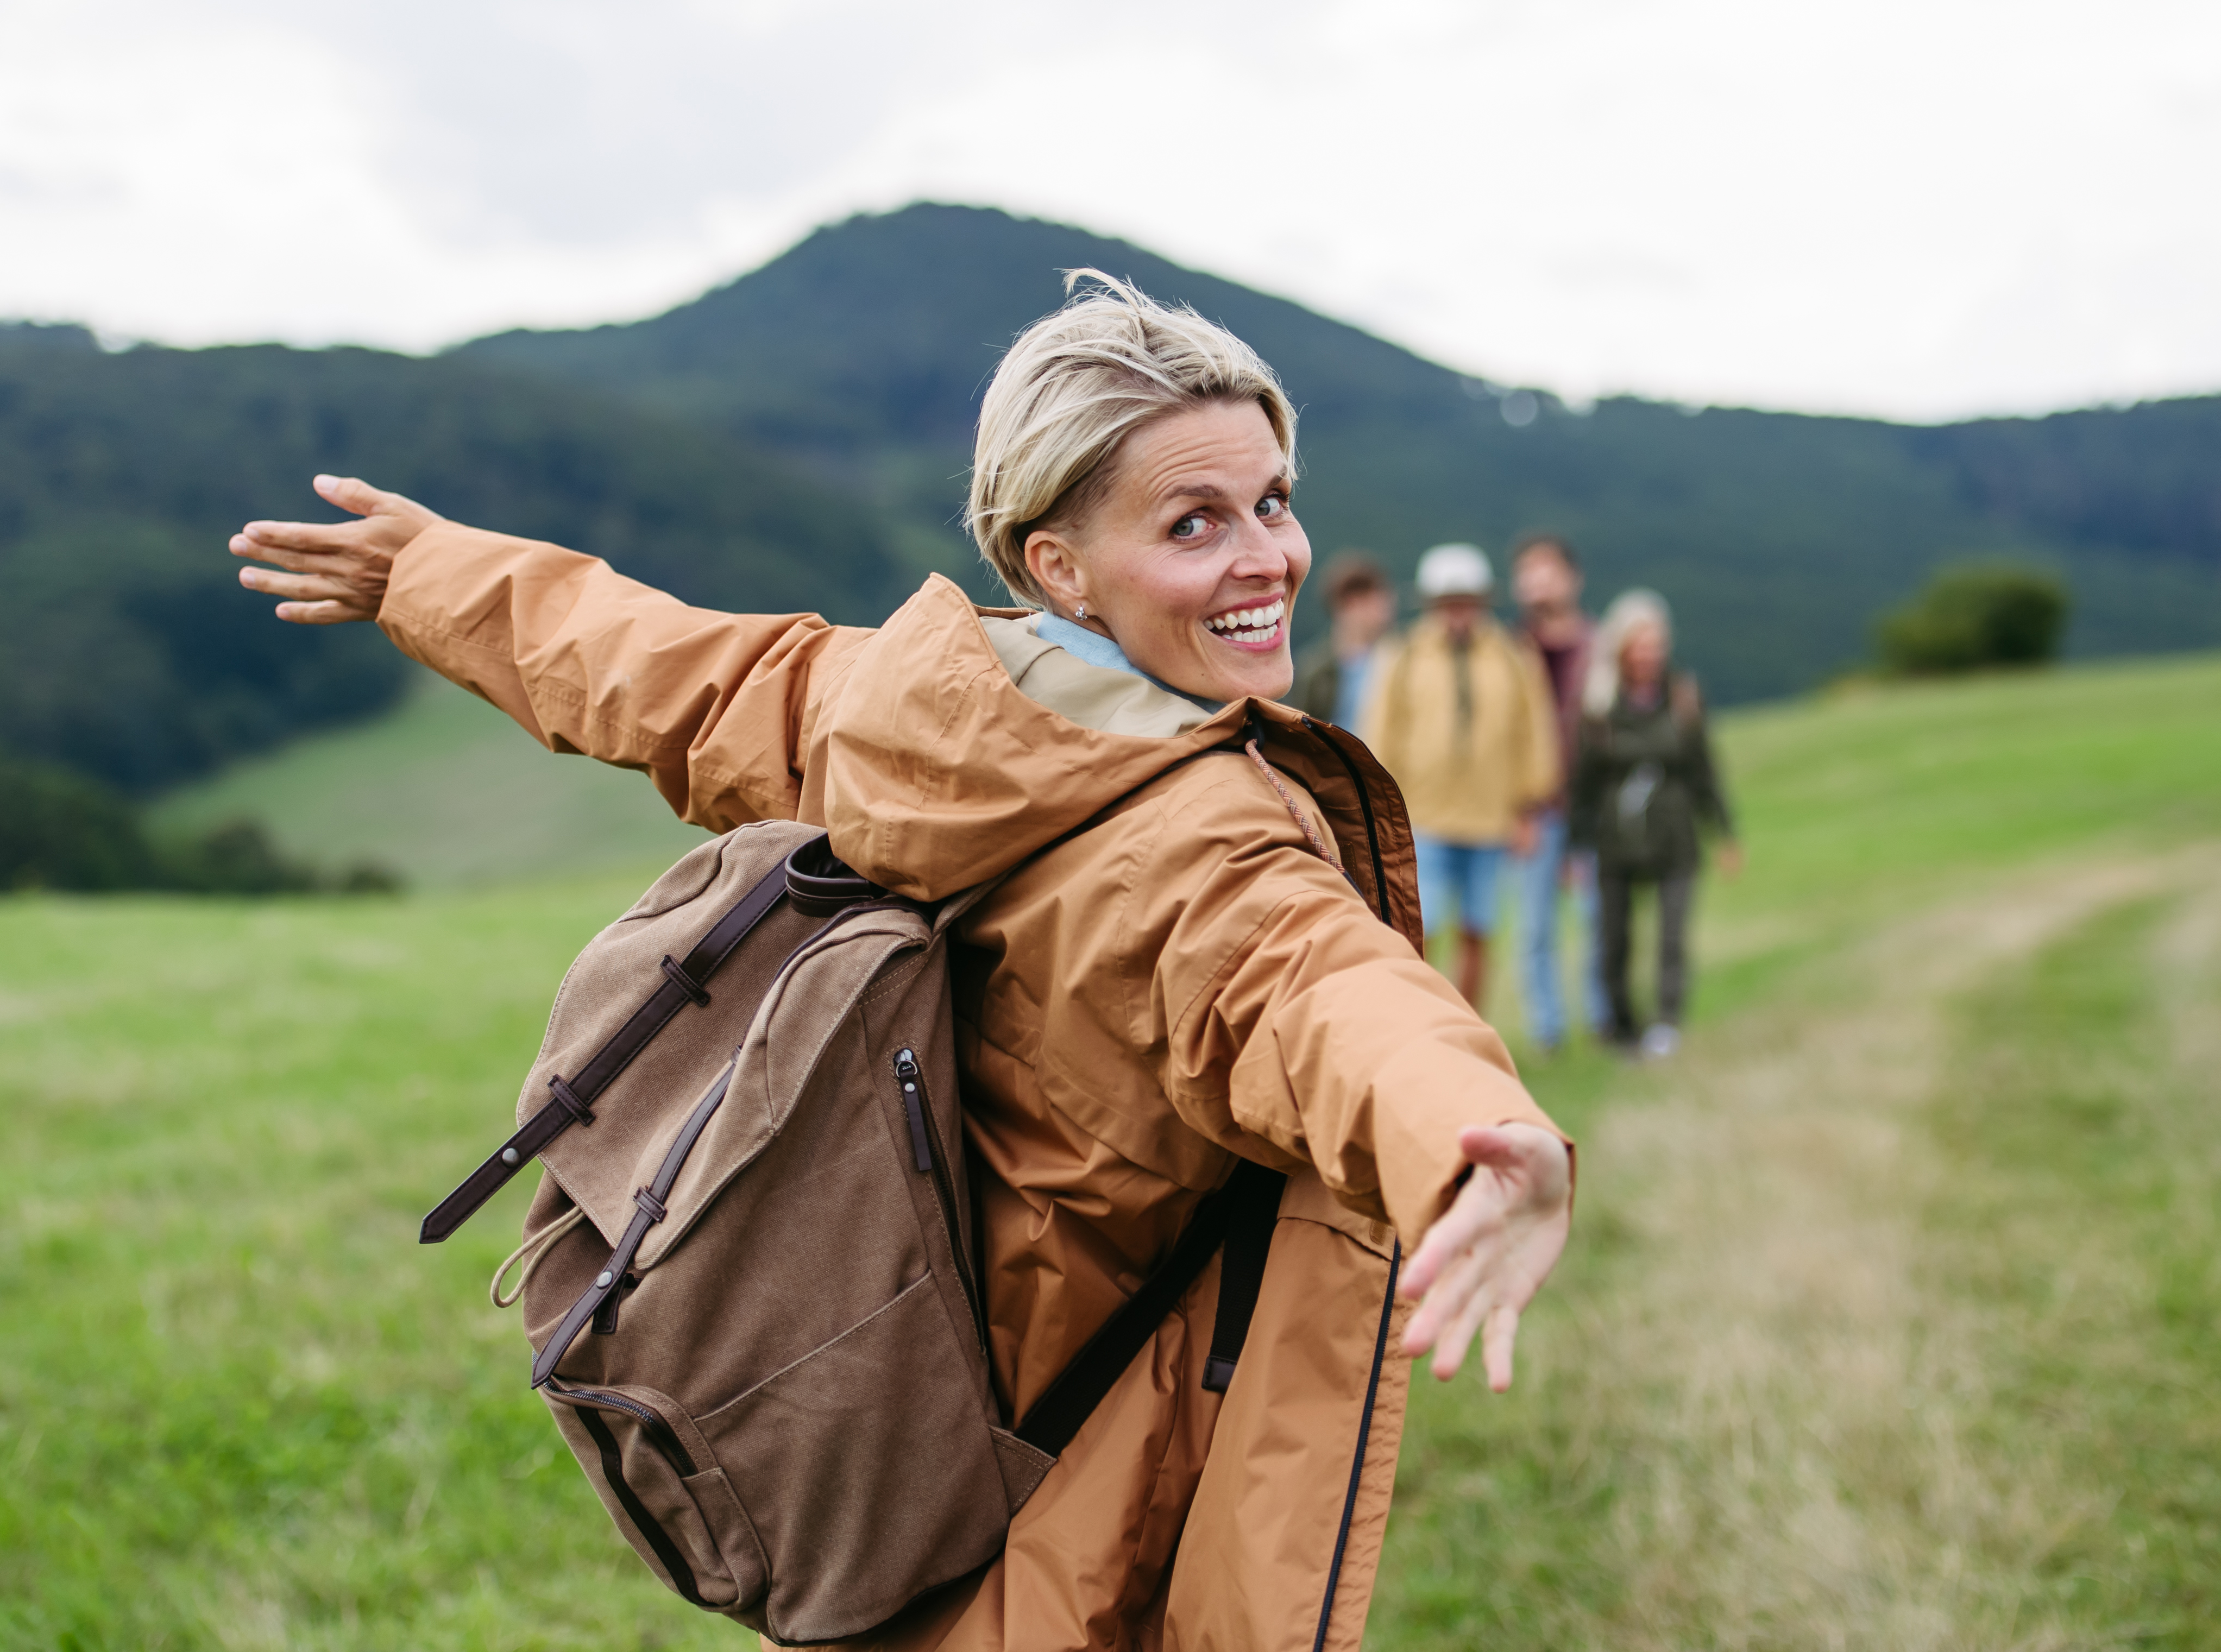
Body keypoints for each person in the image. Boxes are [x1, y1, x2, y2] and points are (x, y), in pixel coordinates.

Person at [226, 273, 1572, 1652]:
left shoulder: (918, 707)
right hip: (1076, 1510)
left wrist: (430, 574)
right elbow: (1317, 992)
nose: (1267, 557)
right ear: (1056, 566)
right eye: (1193, 522)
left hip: (906, 1439)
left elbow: (669, 670)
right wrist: (1477, 1140)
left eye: (1271, 500)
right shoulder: (1197, 837)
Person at [1360, 544, 1561, 1013]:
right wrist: (1380, 810)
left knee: (1480, 929)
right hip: (1422, 818)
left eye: (1466, 601)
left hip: (1492, 820)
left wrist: (1531, 805)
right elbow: (1381, 733)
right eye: (1449, 603)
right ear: (1431, 605)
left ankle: (1469, 1027)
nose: (1458, 613)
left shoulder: (1513, 655)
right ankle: (1423, 1024)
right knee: (1420, 930)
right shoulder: (1404, 654)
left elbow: (1533, 732)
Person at [1570, 589, 1740, 1058]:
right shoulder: (1600, 704)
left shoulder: (1683, 696)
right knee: (1616, 938)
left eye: (1656, 643)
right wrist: (1575, 846)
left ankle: (1667, 1023)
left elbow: (1705, 768)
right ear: (1622, 648)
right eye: (1640, 644)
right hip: (1615, 836)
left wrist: (1725, 832)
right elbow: (1582, 781)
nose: (1649, 653)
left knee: (1672, 935)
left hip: (1675, 832)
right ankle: (1623, 1026)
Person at [1508, 534, 1598, 1055]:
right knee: (1536, 925)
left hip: (1591, 807)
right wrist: (1517, 809)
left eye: (1547, 571)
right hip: (1536, 811)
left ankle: (1602, 1017)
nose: (1537, 583)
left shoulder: (1600, 644)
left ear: (1572, 578)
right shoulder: (1509, 650)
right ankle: (1548, 1029)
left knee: (1595, 920)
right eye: (1528, 573)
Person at [1286, 550, 1396, 732]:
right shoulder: (1314, 669)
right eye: (1378, 600)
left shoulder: (1400, 658)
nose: (1387, 609)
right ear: (1352, 602)